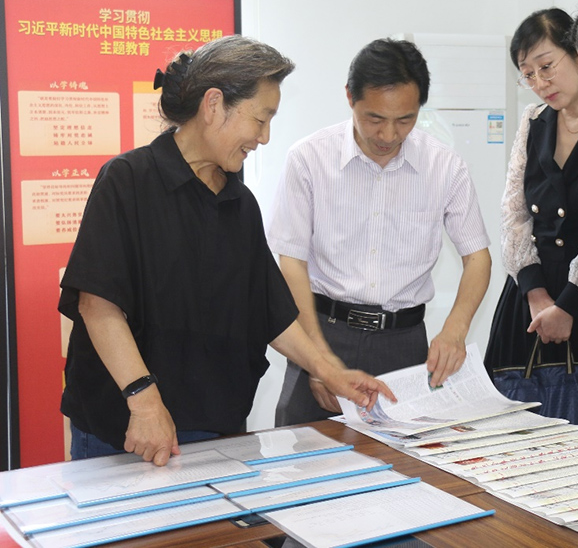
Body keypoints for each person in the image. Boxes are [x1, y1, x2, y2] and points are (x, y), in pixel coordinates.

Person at [59, 36, 394, 466]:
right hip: (126, 425)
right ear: (214, 104)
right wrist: (144, 402)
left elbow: (270, 313)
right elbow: (97, 305)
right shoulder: (127, 181)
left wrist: (332, 372)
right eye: (261, 119)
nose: (265, 137)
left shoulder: (239, 202)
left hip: (216, 428)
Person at [268, 38, 492, 427]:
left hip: (403, 345)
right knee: (304, 453)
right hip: (323, 331)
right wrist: (319, 360)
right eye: (374, 118)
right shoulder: (309, 159)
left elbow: (478, 257)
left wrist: (455, 329)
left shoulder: (444, 166)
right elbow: (292, 264)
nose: (388, 135)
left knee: (408, 458)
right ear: (350, 97)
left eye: (405, 120)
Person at [483, 9, 578, 427]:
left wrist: (569, 305)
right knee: (513, 433)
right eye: (528, 74)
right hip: (529, 300)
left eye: (547, 66)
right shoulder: (534, 122)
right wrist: (535, 293)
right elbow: (512, 211)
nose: (540, 82)